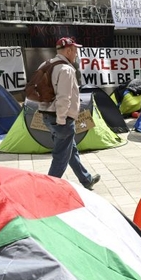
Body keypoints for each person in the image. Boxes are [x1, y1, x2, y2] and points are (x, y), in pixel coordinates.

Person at [39, 37, 100, 190]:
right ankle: (48, 189)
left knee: (70, 150)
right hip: (62, 119)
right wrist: (61, 121)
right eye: (75, 51)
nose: (77, 54)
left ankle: (86, 180)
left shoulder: (45, 65)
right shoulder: (66, 69)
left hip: (47, 115)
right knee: (61, 157)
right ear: (68, 50)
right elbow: (64, 98)